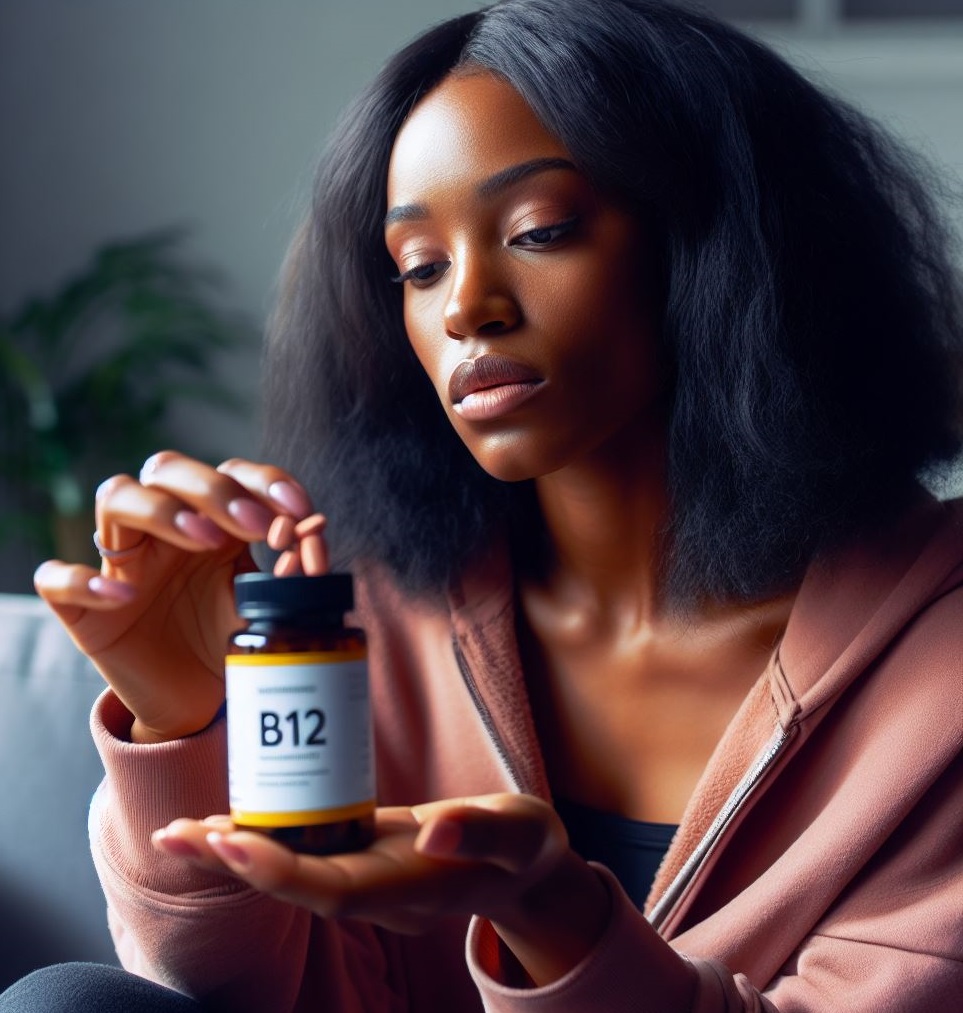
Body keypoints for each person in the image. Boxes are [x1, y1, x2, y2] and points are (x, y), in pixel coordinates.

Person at [5, 0, 962, 1009]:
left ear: (720, 243)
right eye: (419, 267)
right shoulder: (368, 614)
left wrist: (556, 917)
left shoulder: (934, 664)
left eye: (540, 229)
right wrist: (185, 723)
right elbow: (243, 987)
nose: (465, 305)